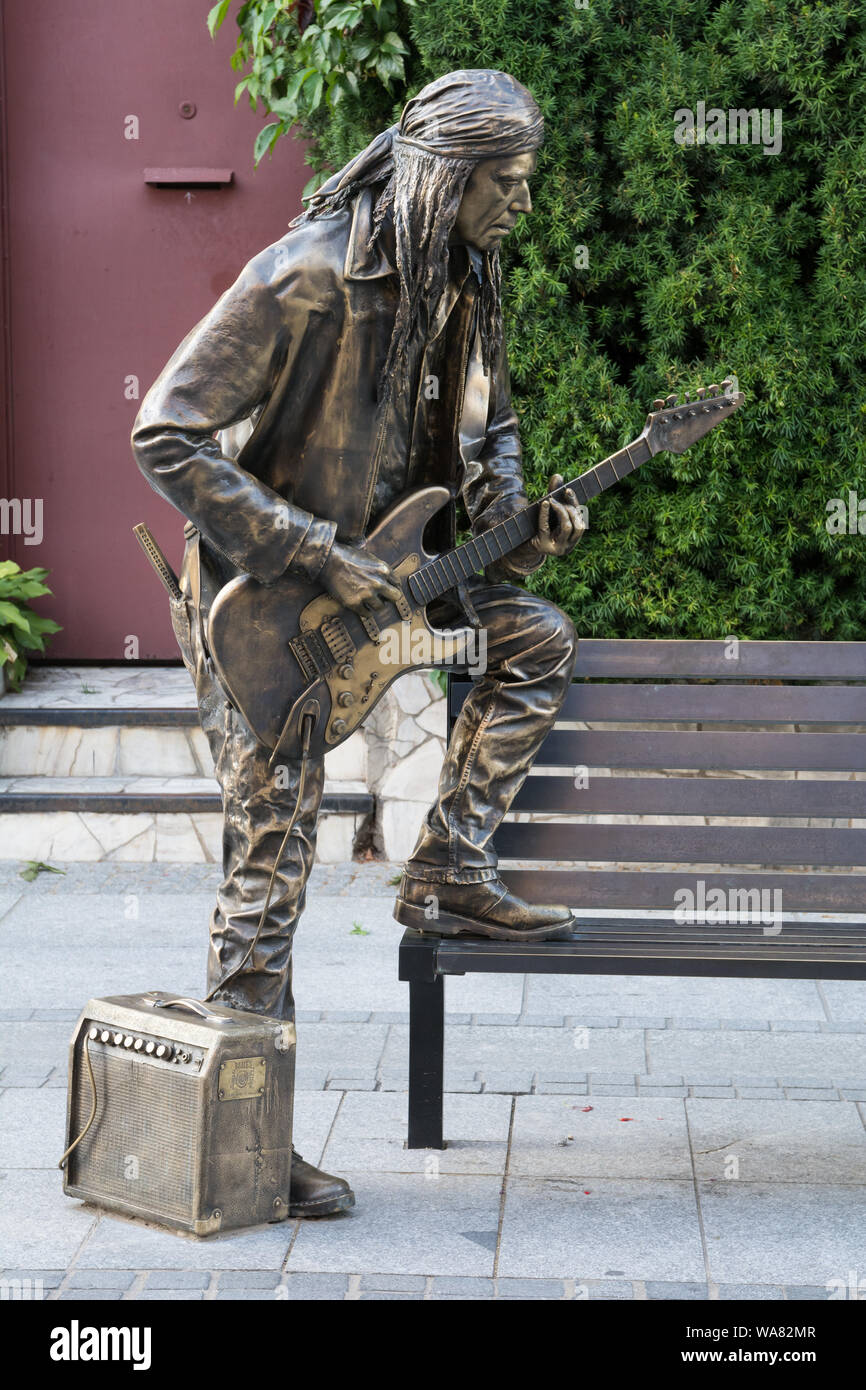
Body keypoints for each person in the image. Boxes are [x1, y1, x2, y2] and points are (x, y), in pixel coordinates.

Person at [132, 69, 585, 1217]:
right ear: (447, 178)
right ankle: (245, 1144)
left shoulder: (466, 278)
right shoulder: (302, 277)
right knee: (272, 868)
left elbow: (491, 430)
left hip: (397, 598)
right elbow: (167, 432)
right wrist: (303, 549)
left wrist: (516, 525)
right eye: (508, 184)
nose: (523, 206)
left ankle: (447, 865)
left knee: (528, 639)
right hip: (266, 617)